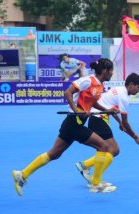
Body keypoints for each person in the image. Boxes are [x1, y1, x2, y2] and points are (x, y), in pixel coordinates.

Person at [12, 59, 118, 196]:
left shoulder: (99, 85)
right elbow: (68, 92)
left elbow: (92, 103)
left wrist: (107, 110)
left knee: (54, 154)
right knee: (103, 146)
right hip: (74, 122)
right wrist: (76, 110)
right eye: (111, 71)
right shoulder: (88, 80)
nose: (112, 73)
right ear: (105, 71)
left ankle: (22, 174)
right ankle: (96, 184)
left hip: (74, 124)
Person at [75, 73, 139, 186]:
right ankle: (91, 175)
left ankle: (87, 168)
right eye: (138, 87)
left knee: (108, 150)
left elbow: (109, 109)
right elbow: (126, 123)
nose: (138, 90)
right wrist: (135, 137)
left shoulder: (119, 90)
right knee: (113, 150)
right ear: (131, 84)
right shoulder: (124, 97)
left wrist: (119, 122)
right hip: (98, 119)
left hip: (98, 118)